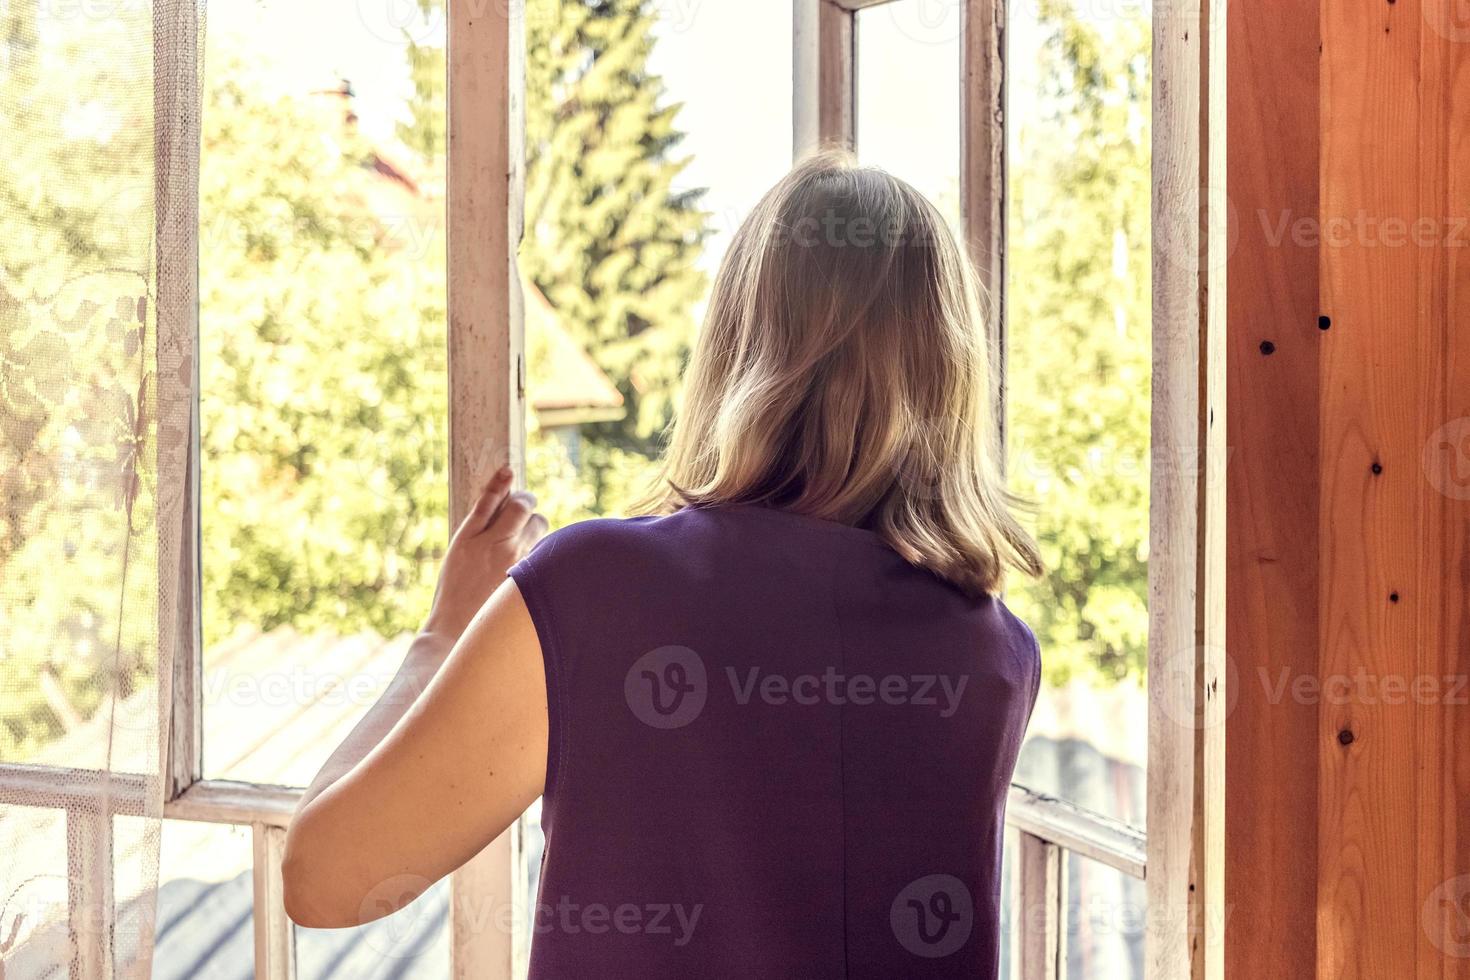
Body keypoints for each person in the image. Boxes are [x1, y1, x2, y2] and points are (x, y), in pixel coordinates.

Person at [282, 151, 1044, 979]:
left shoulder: (602, 592)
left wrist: (440, 635)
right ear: (950, 372)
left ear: (736, 346)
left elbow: (324, 883)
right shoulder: (999, 655)